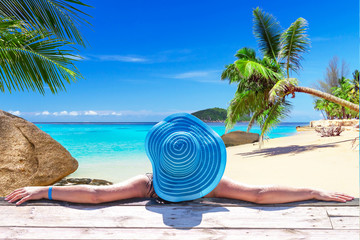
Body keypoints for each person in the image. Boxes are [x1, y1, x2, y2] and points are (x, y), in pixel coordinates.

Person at [5, 173, 354, 206]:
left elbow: (98, 195)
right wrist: (43, 190)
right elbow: (259, 194)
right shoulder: (210, 182)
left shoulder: (148, 183)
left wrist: (46, 191)